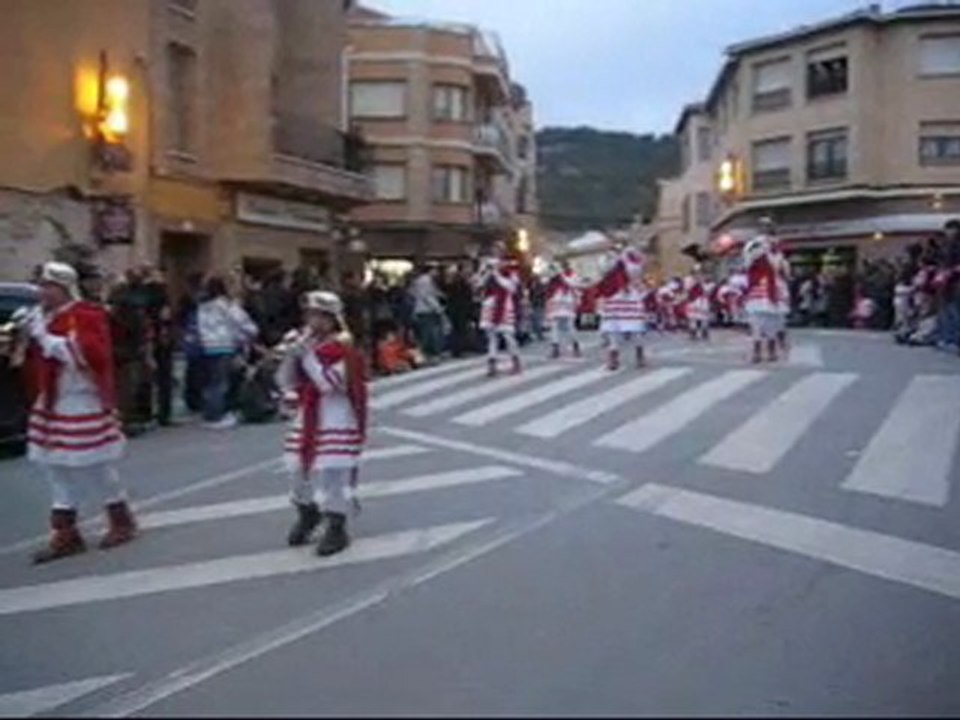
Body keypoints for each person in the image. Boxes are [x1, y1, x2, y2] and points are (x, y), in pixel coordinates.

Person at [22, 262, 136, 564]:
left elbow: (90, 355)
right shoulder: (41, 316)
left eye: (49, 286)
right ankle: (66, 532)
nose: (43, 292)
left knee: (96, 465)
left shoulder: (86, 314)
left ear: (64, 287)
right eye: (41, 286)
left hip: (82, 398)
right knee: (55, 467)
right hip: (52, 400)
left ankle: (121, 519)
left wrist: (45, 338)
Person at [276, 291, 368, 557]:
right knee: (296, 466)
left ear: (332, 319)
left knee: (332, 470)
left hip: (336, 414)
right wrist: (290, 357)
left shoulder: (344, 348)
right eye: (310, 315)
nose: (312, 321)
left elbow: (329, 384)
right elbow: (285, 381)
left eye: (319, 315)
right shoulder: (307, 343)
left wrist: (307, 357)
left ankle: (337, 524)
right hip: (308, 413)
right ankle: (308, 512)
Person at [197, 274, 258, 429]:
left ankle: (210, 413)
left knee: (213, 382)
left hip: (207, 346)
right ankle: (218, 415)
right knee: (222, 382)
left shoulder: (202, 305)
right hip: (224, 344)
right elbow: (238, 321)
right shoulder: (224, 304)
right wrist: (249, 333)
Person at [595, 246, 649, 371]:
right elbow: (603, 271)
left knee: (627, 327)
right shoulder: (629, 263)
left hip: (622, 296)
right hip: (621, 296)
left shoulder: (626, 263)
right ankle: (632, 357)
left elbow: (604, 270)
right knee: (618, 327)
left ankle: (625, 357)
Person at [475, 242, 522, 377]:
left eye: (499, 249)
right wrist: (485, 272)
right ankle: (492, 364)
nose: (496, 251)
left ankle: (516, 362)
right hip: (490, 304)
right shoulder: (487, 267)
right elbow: (478, 284)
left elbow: (512, 288)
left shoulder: (511, 268)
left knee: (508, 336)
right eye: (494, 249)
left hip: (505, 304)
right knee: (491, 337)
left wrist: (496, 273)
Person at [742, 235, 784, 363]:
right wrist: (761, 244)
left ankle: (771, 351)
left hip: (771, 295)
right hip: (756, 296)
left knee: (771, 325)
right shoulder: (751, 257)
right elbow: (749, 255)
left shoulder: (774, 257)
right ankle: (757, 352)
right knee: (756, 326)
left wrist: (771, 247)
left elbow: (777, 265)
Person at [545, 260, 582, 358]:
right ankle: (555, 348)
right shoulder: (554, 277)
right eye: (562, 266)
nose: (564, 267)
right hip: (556, 302)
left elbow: (573, 285)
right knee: (554, 326)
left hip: (567, 301)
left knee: (570, 326)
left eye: (564, 266)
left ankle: (576, 346)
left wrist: (561, 275)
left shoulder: (573, 275)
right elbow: (548, 287)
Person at [409, 266, 445, 362]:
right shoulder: (425, 281)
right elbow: (427, 296)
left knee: (425, 333)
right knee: (428, 334)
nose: (437, 272)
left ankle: (425, 356)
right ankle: (426, 356)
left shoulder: (419, 281)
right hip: (426, 310)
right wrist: (437, 308)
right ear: (431, 270)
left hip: (422, 310)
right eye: (435, 270)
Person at [684, 265, 711, 342]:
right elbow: (687, 289)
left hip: (702, 300)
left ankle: (704, 331)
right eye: (697, 272)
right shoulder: (688, 279)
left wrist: (701, 282)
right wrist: (696, 281)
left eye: (700, 272)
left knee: (704, 317)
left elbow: (706, 291)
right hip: (693, 300)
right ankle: (693, 332)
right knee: (692, 317)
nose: (699, 274)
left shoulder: (704, 280)